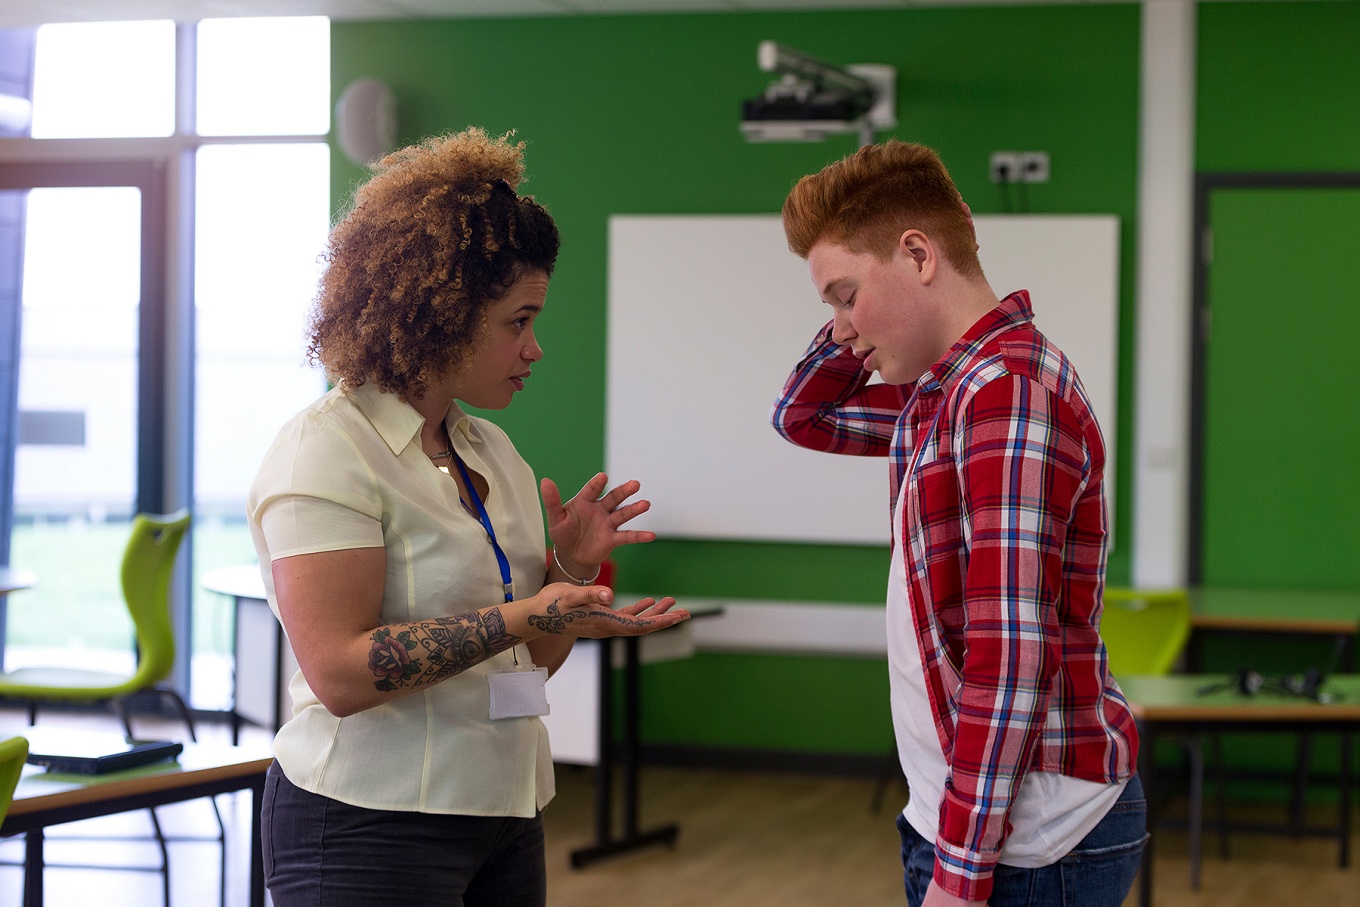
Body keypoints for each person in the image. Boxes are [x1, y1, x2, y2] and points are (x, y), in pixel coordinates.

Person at [247, 127, 689, 906]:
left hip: (504, 809)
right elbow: (342, 673)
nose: (536, 348)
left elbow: (532, 660)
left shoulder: (494, 453)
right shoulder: (325, 451)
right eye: (518, 321)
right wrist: (525, 612)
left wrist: (573, 573)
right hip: (365, 822)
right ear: (438, 314)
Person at [770, 141, 1145, 907]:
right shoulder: (939, 395)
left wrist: (962, 873)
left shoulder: (1004, 396)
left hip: (1033, 842)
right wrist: (855, 324)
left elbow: (1010, 658)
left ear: (917, 253)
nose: (840, 329)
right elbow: (804, 415)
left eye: (845, 295)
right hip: (962, 817)